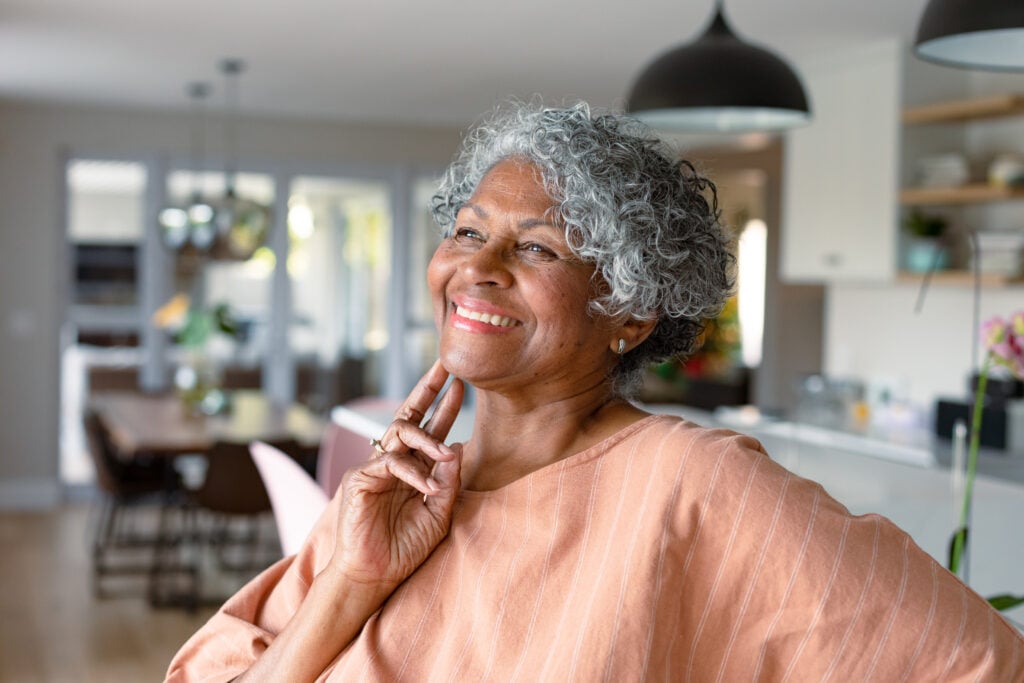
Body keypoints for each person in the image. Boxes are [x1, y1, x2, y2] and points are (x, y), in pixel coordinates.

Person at [166, 101, 1023, 682]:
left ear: (633, 313)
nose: (475, 266)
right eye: (468, 230)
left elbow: (972, 661)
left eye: (536, 248)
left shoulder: (690, 483)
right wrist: (352, 578)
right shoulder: (395, 494)